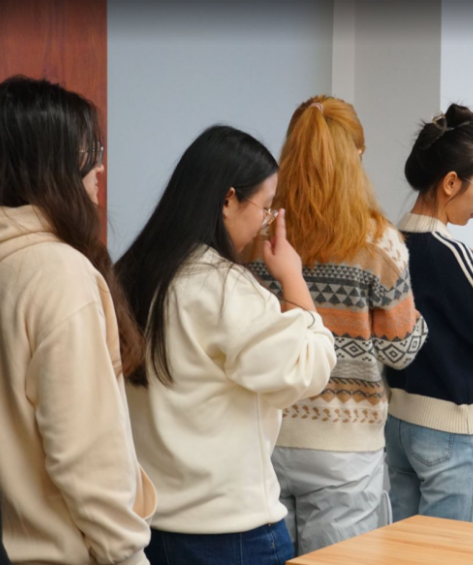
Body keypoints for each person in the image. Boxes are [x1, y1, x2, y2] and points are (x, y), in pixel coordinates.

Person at [117, 125, 337, 565]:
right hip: (229, 532)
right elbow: (310, 368)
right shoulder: (224, 287)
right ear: (228, 200)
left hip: (150, 527)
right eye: (265, 208)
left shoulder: (130, 273)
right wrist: (292, 276)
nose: (265, 224)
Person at [249, 96, 427, 555]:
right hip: (345, 447)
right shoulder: (379, 241)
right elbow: (399, 351)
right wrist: (419, 322)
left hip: (267, 437)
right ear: (358, 155)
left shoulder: (259, 234)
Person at [0, 76, 155, 564]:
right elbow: (86, 459)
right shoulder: (58, 274)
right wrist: (129, 555)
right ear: (49, 163)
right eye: (90, 151)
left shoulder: (3, 263)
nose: (100, 166)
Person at [385, 104, 473, 525]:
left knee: (406, 550)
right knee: (457, 551)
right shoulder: (450, 253)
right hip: (452, 431)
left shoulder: (391, 243)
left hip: (399, 423)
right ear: (451, 182)